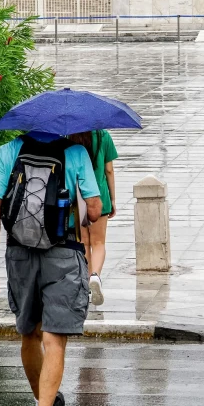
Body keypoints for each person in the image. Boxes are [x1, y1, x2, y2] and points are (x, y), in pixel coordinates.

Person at [0, 131, 102, 406]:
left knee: (30, 335)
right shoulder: (76, 152)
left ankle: (44, 402)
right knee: (54, 339)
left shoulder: (8, 150)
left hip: (19, 255)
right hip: (63, 254)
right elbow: (94, 209)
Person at [68, 130, 118, 306]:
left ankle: (86, 283)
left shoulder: (69, 137)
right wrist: (112, 199)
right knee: (99, 243)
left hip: (79, 197)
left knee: (84, 243)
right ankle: (95, 276)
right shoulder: (103, 136)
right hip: (99, 197)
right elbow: (109, 170)